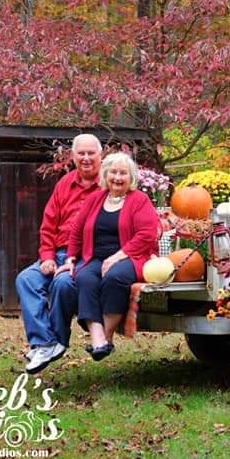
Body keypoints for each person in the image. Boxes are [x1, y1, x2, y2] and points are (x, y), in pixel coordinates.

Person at [16, 133, 102, 375]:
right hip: (58, 253)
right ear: (73, 156)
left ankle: (59, 340)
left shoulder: (109, 185)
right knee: (26, 279)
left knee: (63, 284)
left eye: (91, 153)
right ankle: (44, 342)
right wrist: (47, 257)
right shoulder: (64, 184)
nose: (86, 158)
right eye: (81, 153)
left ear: (100, 155)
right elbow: (48, 226)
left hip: (86, 257)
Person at [61, 152, 158, 360]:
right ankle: (98, 339)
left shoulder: (139, 200)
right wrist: (70, 258)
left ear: (131, 177)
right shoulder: (95, 199)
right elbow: (77, 230)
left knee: (115, 277)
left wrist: (118, 256)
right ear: (105, 175)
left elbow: (147, 235)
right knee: (84, 278)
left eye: (123, 173)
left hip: (132, 257)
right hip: (95, 258)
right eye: (113, 172)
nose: (117, 177)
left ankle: (106, 337)